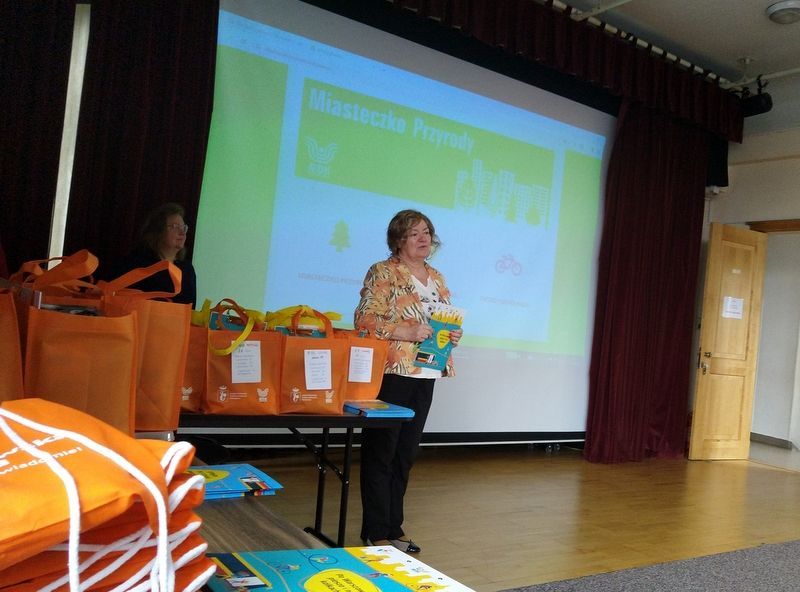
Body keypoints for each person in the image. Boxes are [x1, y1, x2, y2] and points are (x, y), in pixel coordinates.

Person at [354, 209, 462, 553]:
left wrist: (452, 335)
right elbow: (364, 321)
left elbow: (441, 321)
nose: (423, 238)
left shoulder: (437, 277)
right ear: (399, 239)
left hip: (428, 372)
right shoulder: (383, 271)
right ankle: (375, 530)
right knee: (381, 453)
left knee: (405, 455)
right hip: (394, 373)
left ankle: (393, 527)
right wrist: (406, 331)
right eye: (414, 233)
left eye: (426, 231)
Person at [107, 202, 197, 307]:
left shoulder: (187, 269)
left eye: (184, 227)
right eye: (175, 226)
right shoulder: (137, 263)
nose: (182, 232)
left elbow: (190, 308)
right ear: (159, 231)